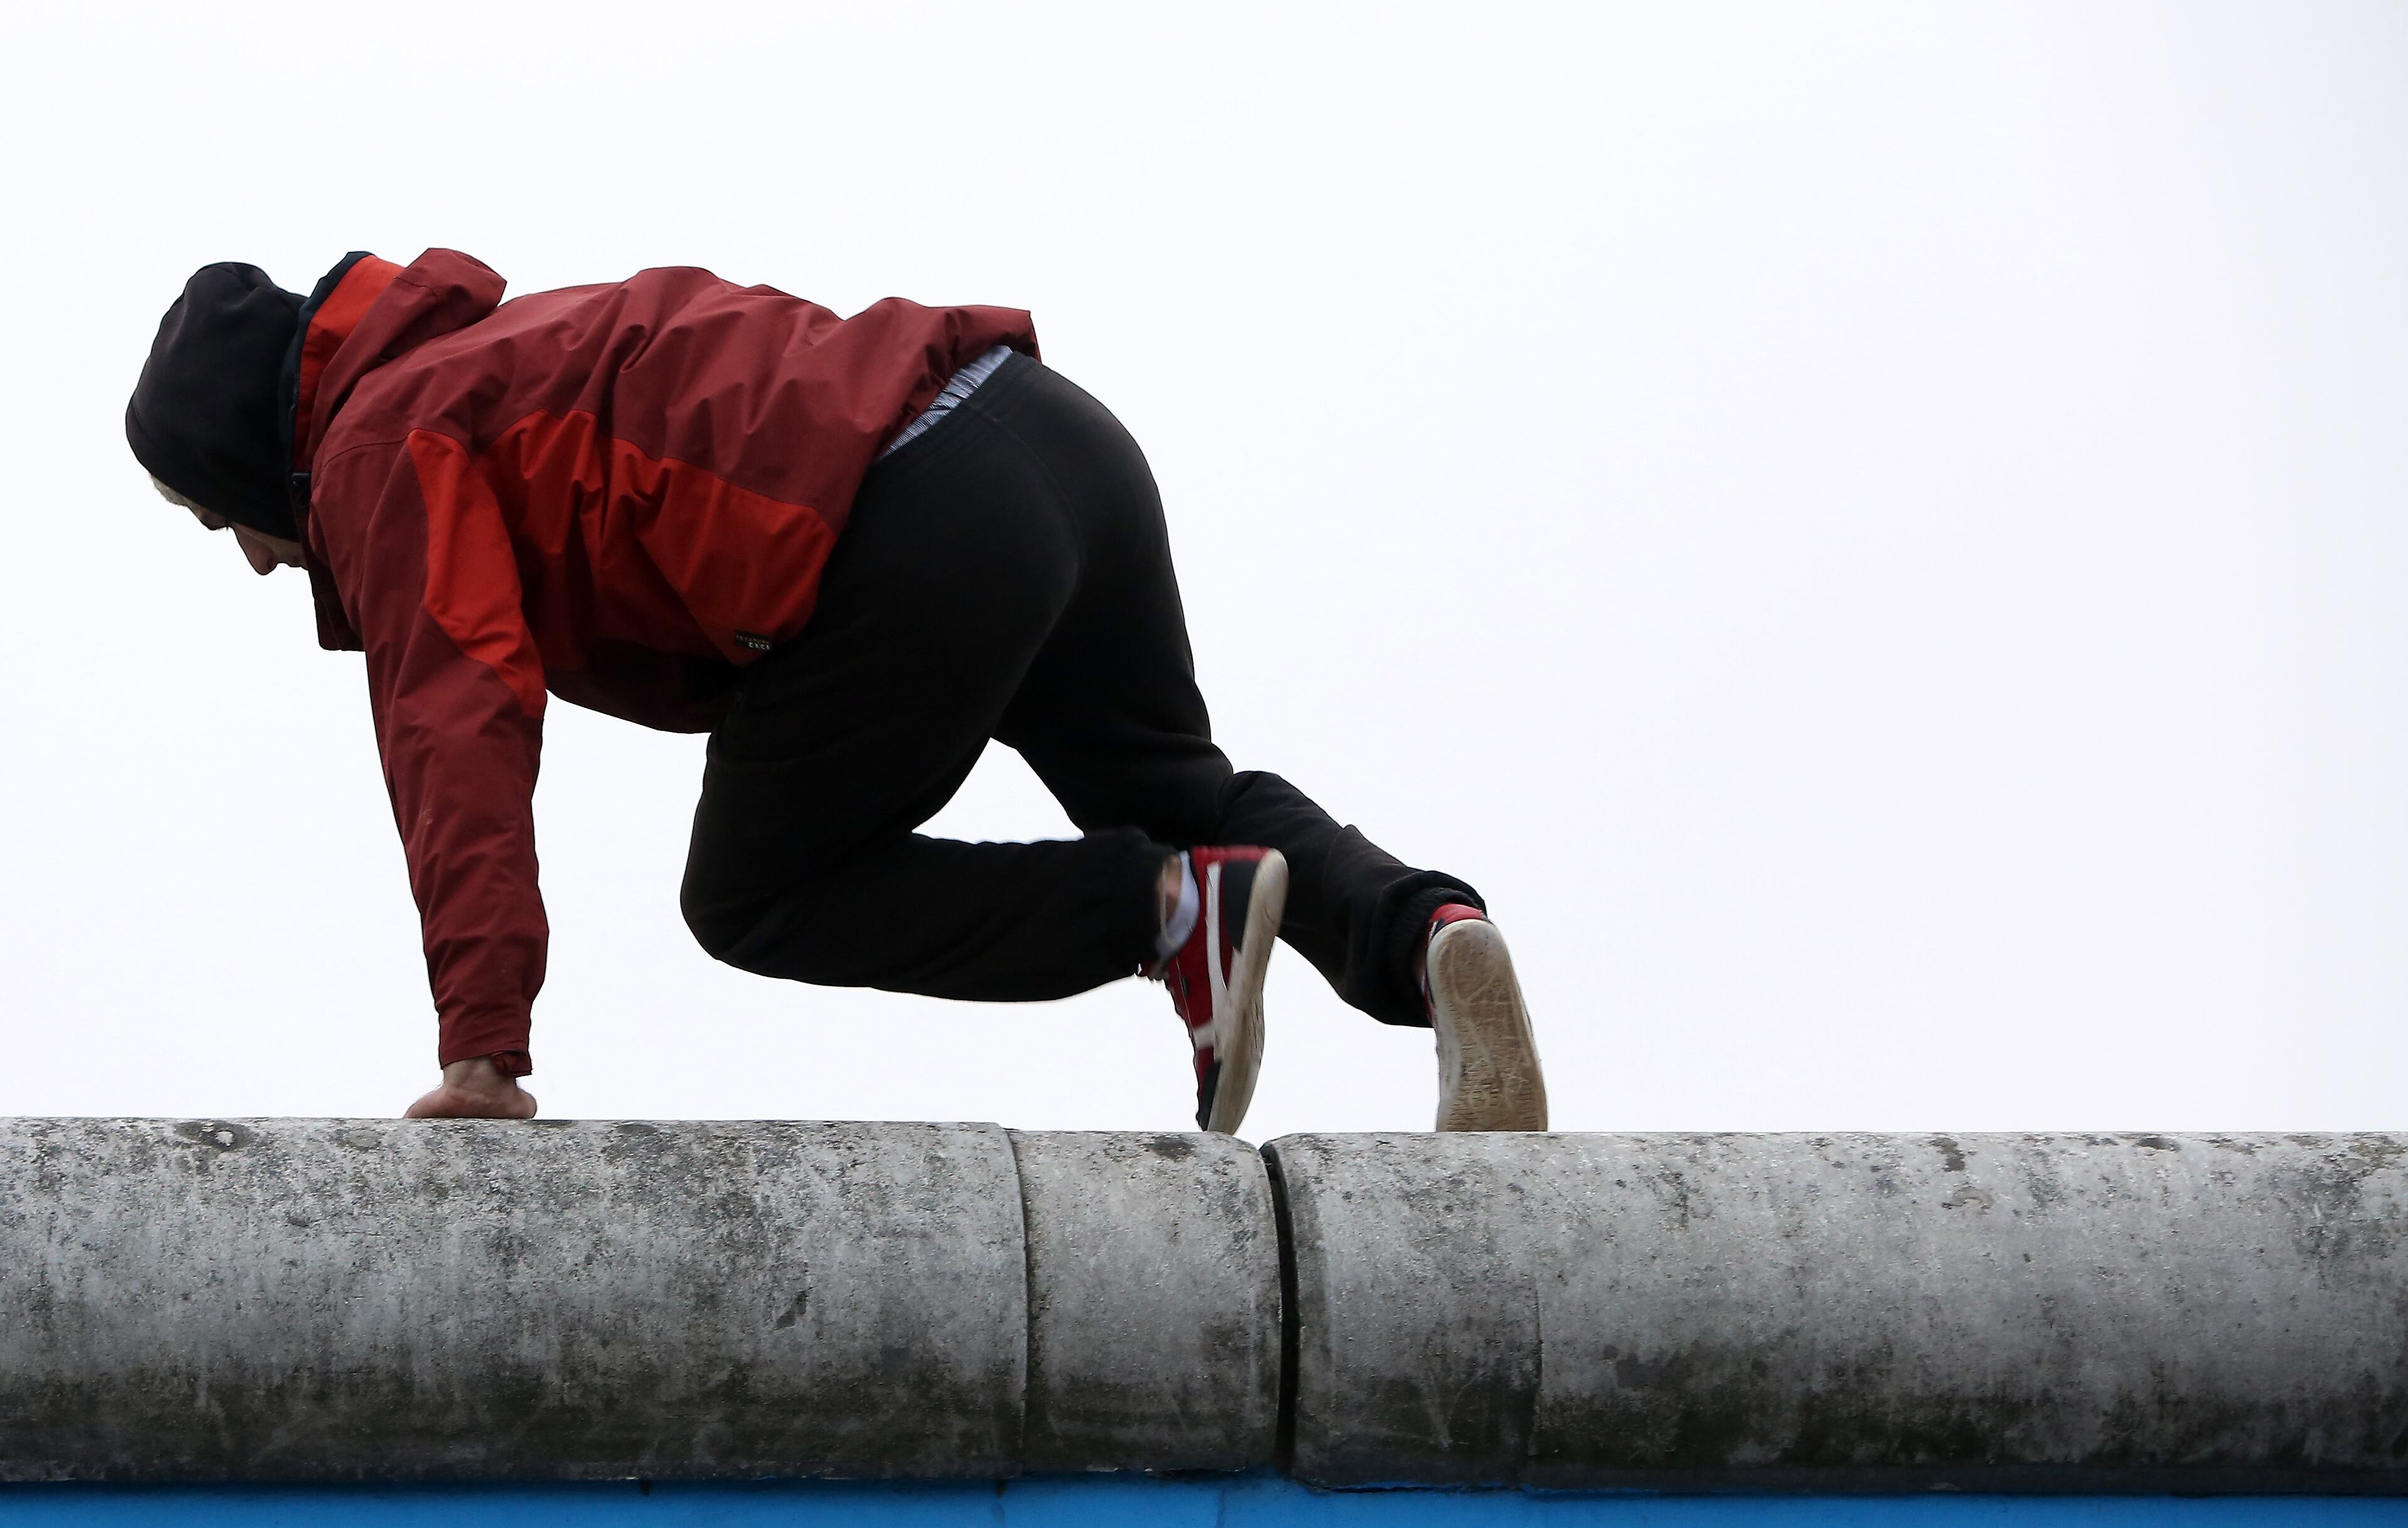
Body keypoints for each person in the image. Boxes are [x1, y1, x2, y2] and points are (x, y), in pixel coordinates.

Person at [124, 249, 1548, 1135]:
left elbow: (457, 719)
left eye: (224, 520)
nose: (256, 560)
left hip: (903, 517)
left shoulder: (384, 438)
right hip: (1041, 434)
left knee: (752, 893)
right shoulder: (487, 359)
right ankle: (1430, 932)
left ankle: (1170, 912)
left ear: (254, 458)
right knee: (1172, 783)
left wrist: (482, 1048)